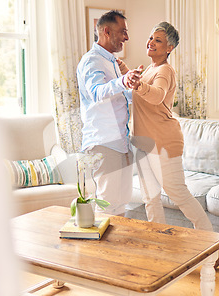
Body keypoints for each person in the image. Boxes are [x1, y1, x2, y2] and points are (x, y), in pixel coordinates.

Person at [121, 22, 213, 231]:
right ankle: (160, 244)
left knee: (177, 192)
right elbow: (141, 92)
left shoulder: (165, 71)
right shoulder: (149, 70)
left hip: (163, 142)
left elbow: (157, 95)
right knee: (150, 198)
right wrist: (125, 71)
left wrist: (139, 85)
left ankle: (211, 243)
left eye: (158, 40)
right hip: (143, 143)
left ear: (169, 48)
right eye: (151, 37)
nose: (151, 42)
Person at [76, 10, 141, 216]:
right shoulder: (92, 61)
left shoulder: (112, 62)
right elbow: (96, 93)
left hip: (121, 142)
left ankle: (118, 248)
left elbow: (118, 97)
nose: (127, 37)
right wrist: (123, 81)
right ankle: (99, 249)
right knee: (107, 203)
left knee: (121, 203)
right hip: (104, 143)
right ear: (106, 31)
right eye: (123, 31)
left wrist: (132, 87)